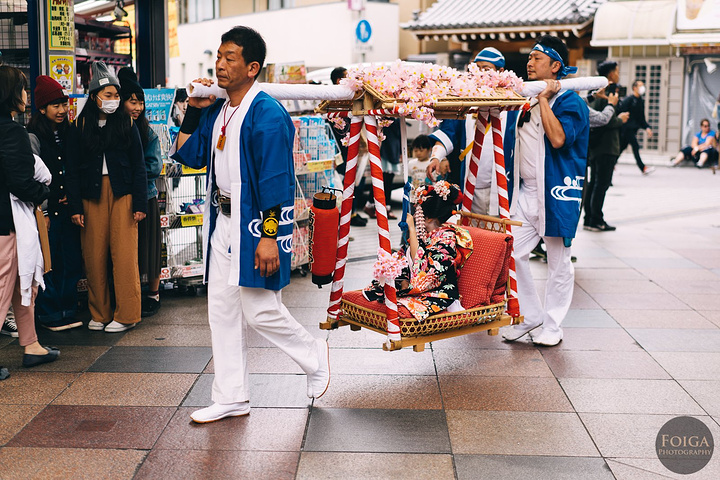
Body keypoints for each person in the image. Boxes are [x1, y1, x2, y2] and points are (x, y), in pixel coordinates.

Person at [172, 26, 330, 423]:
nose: (220, 65)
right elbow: (186, 154)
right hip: (223, 221)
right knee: (221, 311)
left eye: (230, 58)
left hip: (257, 225)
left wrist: (270, 238)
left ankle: (313, 356)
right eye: (219, 56)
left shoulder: (267, 113)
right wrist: (194, 107)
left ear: (252, 67)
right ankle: (231, 397)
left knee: (259, 310)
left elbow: (276, 182)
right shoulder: (220, 108)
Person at [499, 35, 589, 347]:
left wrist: (543, 99)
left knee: (558, 261)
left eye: (538, 58)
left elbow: (558, 139)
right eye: (530, 57)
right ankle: (531, 315)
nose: (530, 62)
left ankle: (553, 325)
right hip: (525, 193)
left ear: (556, 66)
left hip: (556, 192)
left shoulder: (571, 101)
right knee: (513, 253)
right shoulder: (523, 100)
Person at [66, 61, 147, 333]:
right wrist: (75, 206)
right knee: (93, 256)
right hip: (91, 194)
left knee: (124, 255)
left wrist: (139, 203)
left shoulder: (126, 123)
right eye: (108, 95)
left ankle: (127, 314)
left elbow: (139, 165)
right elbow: (73, 170)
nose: (114, 101)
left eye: (116, 95)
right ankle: (99, 313)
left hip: (122, 193)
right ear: (94, 96)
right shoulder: (81, 125)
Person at [0, 65, 60, 367]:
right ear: (12, 94)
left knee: (23, 287)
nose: (27, 95)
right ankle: (31, 344)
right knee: (4, 290)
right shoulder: (11, 131)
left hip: (6, 224)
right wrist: (44, 192)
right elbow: (21, 181)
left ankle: (32, 344)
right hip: (7, 226)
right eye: (23, 89)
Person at [363, 181, 473, 321]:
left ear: (430, 218)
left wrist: (412, 230)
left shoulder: (447, 238)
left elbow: (422, 265)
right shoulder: (433, 233)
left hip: (439, 289)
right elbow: (413, 257)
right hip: (421, 282)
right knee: (385, 282)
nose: (418, 220)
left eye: (421, 218)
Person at [26, 75, 83, 331]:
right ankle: (50, 313)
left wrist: (72, 194)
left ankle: (68, 308)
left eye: (64, 104)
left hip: (68, 208)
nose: (62, 111)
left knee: (70, 257)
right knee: (49, 261)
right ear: (42, 108)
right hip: (46, 211)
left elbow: (74, 167)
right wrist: (45, 207)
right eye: (55, 105)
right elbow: (32, 175)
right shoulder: (33, 136)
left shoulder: (69, 132)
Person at [427, 47, 506, 215]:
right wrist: (437, 156)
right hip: (471, 183)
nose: (480, 74)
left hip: (502, 185)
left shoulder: (512, 105)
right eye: (477, 69)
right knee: (473, 232)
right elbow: (449, 131)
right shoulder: (465, 102)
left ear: (501, 72)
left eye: (486, 69)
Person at [118, 67, 164, 317]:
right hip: (121, 199)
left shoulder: (146, 131)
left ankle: (153, 293)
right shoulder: (116, 130)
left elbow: (154, 166)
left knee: (150, 246)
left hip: (145, 196)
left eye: (140, 102)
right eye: (131, 101)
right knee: (129, 250)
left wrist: (130, 175)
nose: (137, 107)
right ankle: (132, 293)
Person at [583, 61, 629, 232]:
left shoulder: (596, 91)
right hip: (606, 146)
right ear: (610, 74)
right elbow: (602, 120)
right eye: (616, 71)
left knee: (595, 182)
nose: (618, 74)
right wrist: (620, 119)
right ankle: (595, 219)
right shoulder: (608, 93)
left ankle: (591, 218)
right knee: (601, 184)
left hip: (596, 146)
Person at [328, 66, 366, 227]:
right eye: (346, 77)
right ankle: (347, 214)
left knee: (354, 181)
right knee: (343, 182)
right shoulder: (332, 100)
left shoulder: (349, 98)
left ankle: (352, 213)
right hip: (339, 150)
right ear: (338, 81)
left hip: (349, 146)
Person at [617, 80, 655, 175]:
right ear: (634, 88)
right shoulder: (628, 99)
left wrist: (647, 128)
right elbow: (620, 112)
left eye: (643, 85)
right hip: (626, 128)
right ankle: (643, 168)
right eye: (640, 86)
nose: (642, 88)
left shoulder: (640, 101)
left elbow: (641, 118)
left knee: (621, 148)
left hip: (633, 129)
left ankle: (611, 164)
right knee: (635, 146)